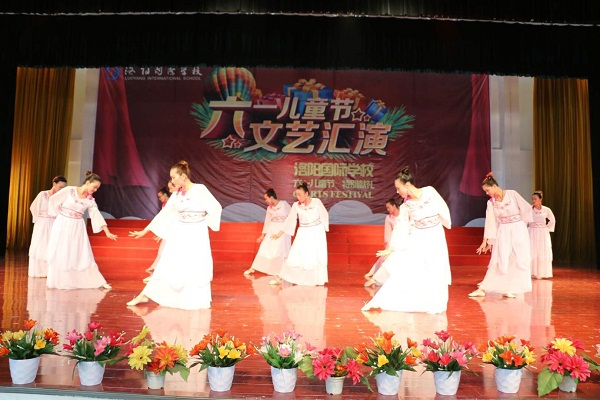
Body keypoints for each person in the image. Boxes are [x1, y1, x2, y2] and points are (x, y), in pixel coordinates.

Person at [127, 160, 222, 310]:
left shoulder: (200, 189)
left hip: (196, 233)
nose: (172, 181)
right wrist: (146, 230)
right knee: (167, 262)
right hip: (180, 232)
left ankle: (192, 298)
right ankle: (146, 294)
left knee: (194, 265)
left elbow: (216, 207)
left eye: (173, 177)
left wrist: (205, 223)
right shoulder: (177, 194)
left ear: (183, 176)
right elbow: (164, 213)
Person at [362, 166, 452, 314]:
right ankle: (414, 299)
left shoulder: (429, 191)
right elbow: (401, 228)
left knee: (436, 267)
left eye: (398, 188)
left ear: (407, 185)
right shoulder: (405, 207)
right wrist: (391, 248)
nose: (397, 192)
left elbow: (442, 207)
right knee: (412, 269)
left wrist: (444, 222)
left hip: (436, 235)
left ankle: (436, 302)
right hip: (419, 238)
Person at [46, 172, 117, 289]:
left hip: (77, 227)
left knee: (81, 253)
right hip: (62, 223)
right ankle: (60, 280)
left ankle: (96, 281)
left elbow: (96, 215)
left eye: (97, 188)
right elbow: (53, 200)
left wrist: (107, 231)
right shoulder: (69, 190)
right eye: (94, 187)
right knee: (61, 250)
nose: (95, 190)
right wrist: (57, 215)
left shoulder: (90, 200)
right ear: (88, 183)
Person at [469, 173, 533, 298]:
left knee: (517, 258)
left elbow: (526, 209)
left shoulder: (512, 194)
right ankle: (483, 288)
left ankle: (509, 288)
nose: (487, 193)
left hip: (518, 229)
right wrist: (487, 241)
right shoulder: (491, 203)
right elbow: (490, 222)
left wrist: (522, 225)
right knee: (499, 258)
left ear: (494, 186)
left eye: (487, 190)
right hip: (503, 230)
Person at [270, 182, 329, 286]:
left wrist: (323, 229)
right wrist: (279, 234)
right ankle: (281, 277)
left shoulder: (316, 202)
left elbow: (324, 215)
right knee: (295, 254)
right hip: (303, 232)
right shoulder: (296, 205)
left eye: (300, 194)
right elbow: (290, 220)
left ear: (306, 194)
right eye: (296, 195)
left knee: (314, 255)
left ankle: (316, 279)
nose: (298, 197)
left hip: (316, 231)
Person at [243, 188, 292, 278]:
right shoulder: (269, 208)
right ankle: (254, 267)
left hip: (282, 231)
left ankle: (280, 270)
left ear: (271, 197)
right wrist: (262, 235)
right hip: (272, 229)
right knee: (264, 248)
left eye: (266, 198)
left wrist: (287, 229)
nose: (266, 201)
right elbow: (267, 222)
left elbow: (292, 216)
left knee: (279, 249)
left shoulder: (284, 204)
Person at [28, 175, 67, 277]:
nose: (61, 189)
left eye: (63, 187)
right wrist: (37, 219)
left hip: (54, 223)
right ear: (54, 184)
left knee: (52, 245)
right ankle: (39, 271)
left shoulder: (61, 198)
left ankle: (50, 272)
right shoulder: (43, 194)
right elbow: (33, 207)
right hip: (42, 223)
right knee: (40, 244)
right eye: (60, 187)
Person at [143, 182, 176, 283]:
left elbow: (170, 220)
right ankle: (156, 272)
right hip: (168, 232)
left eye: (160, 196)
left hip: (173, 231)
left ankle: (157, 274)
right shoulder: (167, 204)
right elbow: (164, 219)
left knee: (166, 253)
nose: (159, 198)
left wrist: (161, 233)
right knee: (162, 252)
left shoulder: (174, 201)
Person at [364, 197, 401, 287]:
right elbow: (388, 231)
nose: (388, 210)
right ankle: (375, 276)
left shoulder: (403, 215)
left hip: (404, 239)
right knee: (386, 258)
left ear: (394, 206)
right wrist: (388, 243)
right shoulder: (389, 217)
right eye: (386, 208)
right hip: (394, 239)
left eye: (389, 207)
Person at [528, 190, 556, 279]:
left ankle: (541, 272)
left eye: (535, 199)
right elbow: (524, 220)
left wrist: (547, 228)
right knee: (532, 251)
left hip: (542, 233)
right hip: (532, 232)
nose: (533, 201)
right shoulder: (529, 209)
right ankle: (532, 272)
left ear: (540, 199)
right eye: (532, 199)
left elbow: (552, 220)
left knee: (542, 251)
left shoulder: (546, 210)